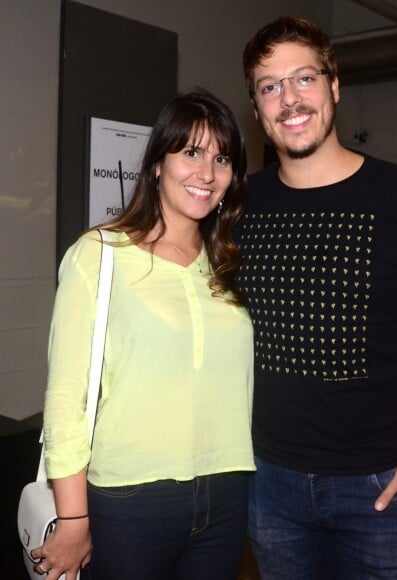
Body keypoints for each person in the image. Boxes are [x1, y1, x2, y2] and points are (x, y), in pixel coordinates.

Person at [237, 16, 397, 579]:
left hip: (384, 485)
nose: (289, 99)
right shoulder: (239, 205)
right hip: (270, 481)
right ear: (256, 107)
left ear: (334, 86)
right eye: (269, 87)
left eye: (304, 79)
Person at [31, 89, 255, 580]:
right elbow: (66, 395)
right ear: (157, 163)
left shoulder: (229, 264)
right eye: (190, 152)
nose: (206, 173)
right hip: (128, 502)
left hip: (227, 493)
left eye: (221, 158)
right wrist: (73, 517)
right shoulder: (100, 254)